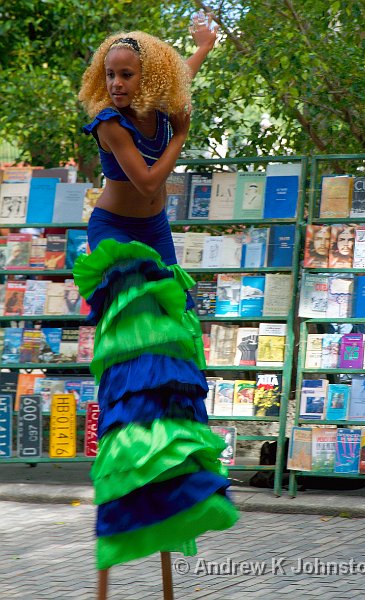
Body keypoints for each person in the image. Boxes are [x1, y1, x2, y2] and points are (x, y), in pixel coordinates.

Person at [74, 15, 238, 600]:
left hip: (159, 237)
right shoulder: (109, 122)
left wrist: (202, 48)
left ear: (147, 79)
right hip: (117, 235)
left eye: (127, 76)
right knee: (134, 362)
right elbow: (145, 183)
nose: (116, 84)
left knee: (170, 360)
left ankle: (168, 474)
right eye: (110, 74)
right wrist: (180, 138)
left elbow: (181, 79)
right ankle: (126, 480)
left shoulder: (160, 103)